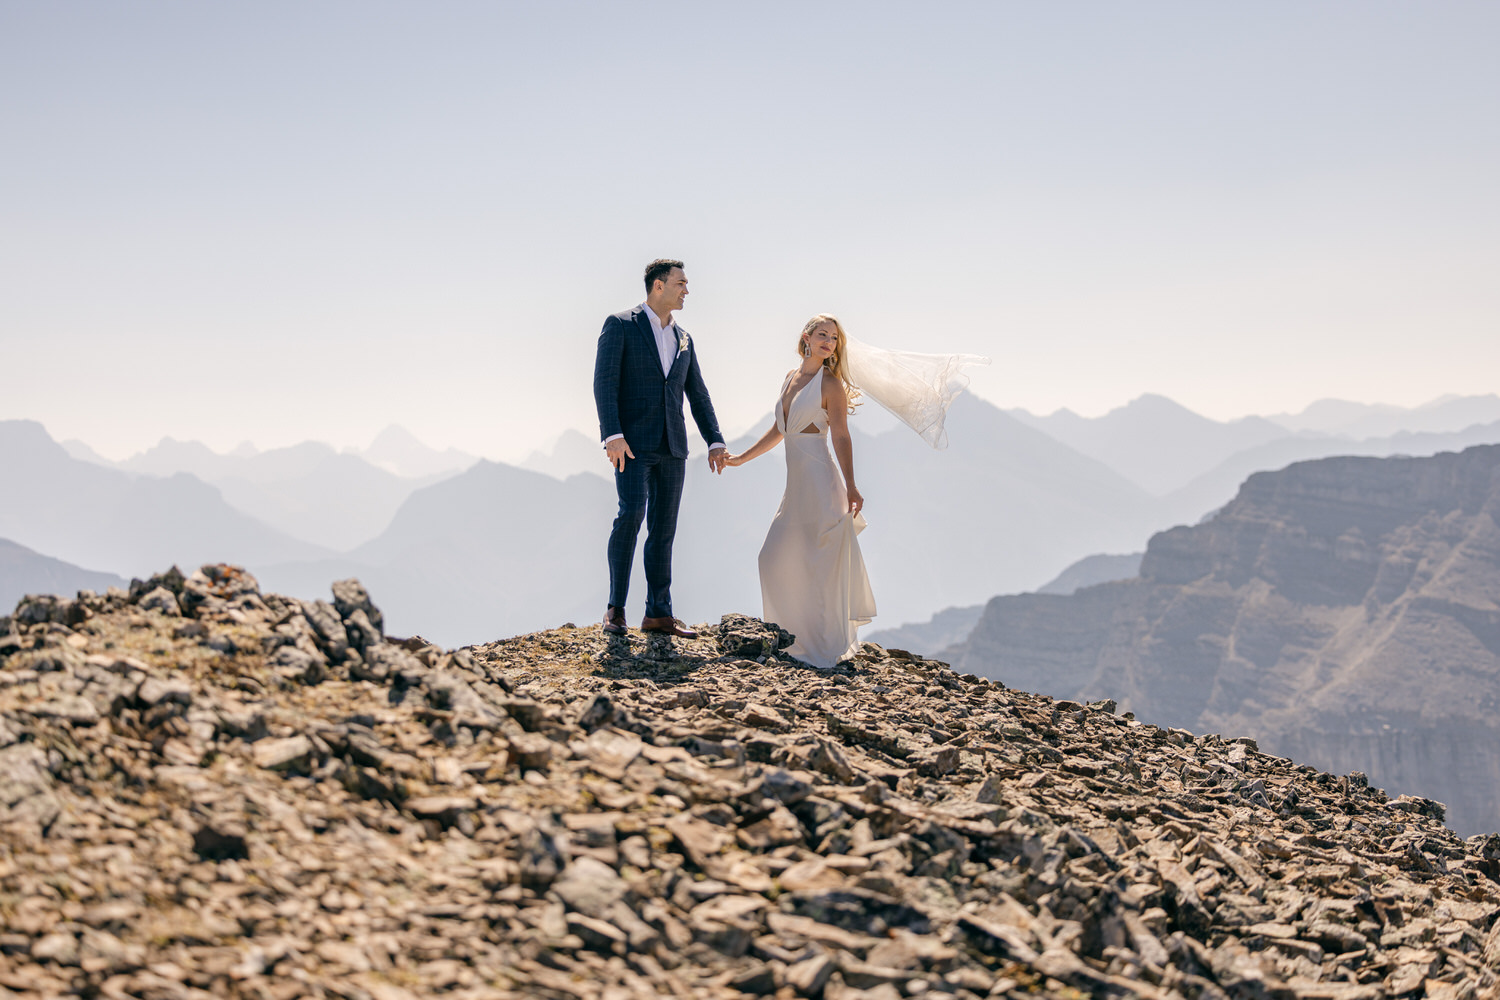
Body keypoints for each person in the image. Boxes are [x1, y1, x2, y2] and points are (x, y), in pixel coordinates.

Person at [724, 314, 987, 669]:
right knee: (772, 557)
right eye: (822, 335)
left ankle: (821, 647)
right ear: (806, 337)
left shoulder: (829, 384)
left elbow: (841, 435)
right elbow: (779, 428)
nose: (828, 342)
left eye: (833, 338)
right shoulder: (789, 378)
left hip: (820, 483)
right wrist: (741, 458)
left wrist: (850, 484)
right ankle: (792, 638)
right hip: (796, 487)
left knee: (818, 564)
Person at [593, 259, 727, 639]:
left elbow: (697, 394)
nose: (687, 290)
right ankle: (615, 610)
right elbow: (604, 383)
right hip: (631, 446)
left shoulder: (684, 337)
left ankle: (658, 614)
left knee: (664, 530)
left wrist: (714, 439)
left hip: (674, 448)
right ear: (658, 286)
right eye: (681, 283)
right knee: (630, 516)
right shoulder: (620, 325)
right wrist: (612, 435)